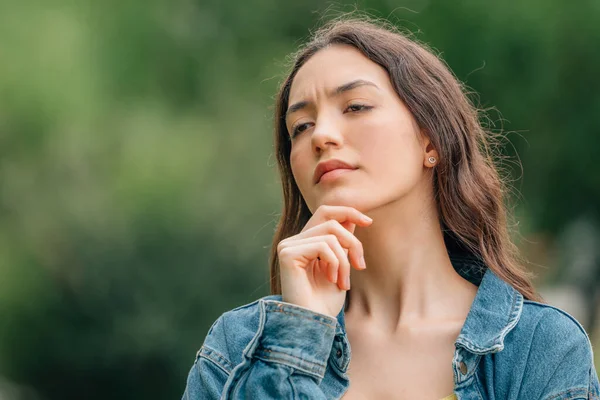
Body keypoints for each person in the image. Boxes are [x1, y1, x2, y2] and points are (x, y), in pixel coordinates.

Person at [182, 16, 600, 399]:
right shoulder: (236, 349)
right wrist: (297, 340)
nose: (321, 135)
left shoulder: (541, 349)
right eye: (300, 126)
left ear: (431, 140)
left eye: (355, 107)